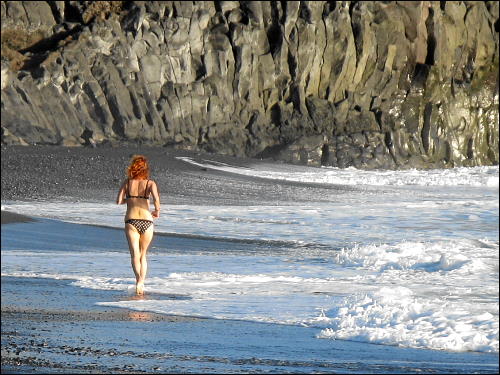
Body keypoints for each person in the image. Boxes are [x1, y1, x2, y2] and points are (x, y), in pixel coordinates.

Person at [116, 155, 160, 295]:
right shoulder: (150, 183)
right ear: (145, 169)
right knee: (143, 255)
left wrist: (130, 200)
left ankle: (138, 281)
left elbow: (118, 201)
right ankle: (142, 282)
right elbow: (156, 201)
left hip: (131, 220)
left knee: (135, 254)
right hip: (147, 220)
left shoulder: (127, 183)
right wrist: (156, 211)